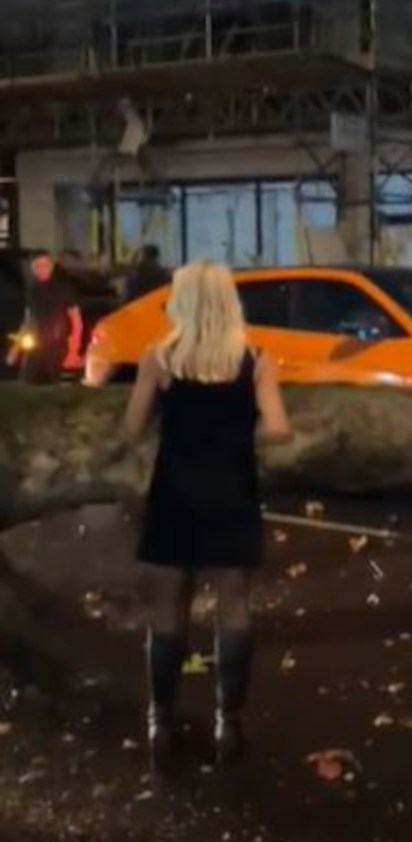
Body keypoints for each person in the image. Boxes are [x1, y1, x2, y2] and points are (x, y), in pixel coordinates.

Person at [124, 260, 290, 770]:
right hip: (232, 492)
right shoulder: (255, 360)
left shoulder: (161, 359)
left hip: (175, 493)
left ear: (184, 302)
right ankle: (229, 723)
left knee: (168, 611)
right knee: (234, 607)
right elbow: (279, 428)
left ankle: (161, 720)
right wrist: (242, 433)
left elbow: (131, 427)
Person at [6, 251, 77, 384]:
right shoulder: (32, 291)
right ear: (32, 268)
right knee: (25, 382)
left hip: (58, 347)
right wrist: (15, 349)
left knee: (57, 384)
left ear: (52, 266)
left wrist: (73, 349)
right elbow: (28, 321)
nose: (42, 269)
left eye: (46, 265)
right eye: (38, 266)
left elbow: (76, 320)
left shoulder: (64, 289)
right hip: (35, 346)